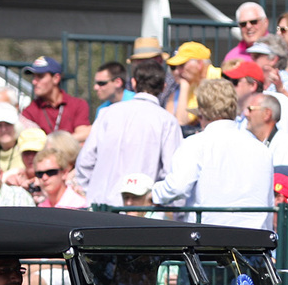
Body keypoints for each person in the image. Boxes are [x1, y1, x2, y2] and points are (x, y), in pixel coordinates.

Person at [151, 79, 273, 229]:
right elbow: (268, 204)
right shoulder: (261, 149)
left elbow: (178, 187)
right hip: (255, 242)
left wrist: (152, 194)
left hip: (210, 241)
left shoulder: (195, 144)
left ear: (202, 112)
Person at [74, 59, 182, 207]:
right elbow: (171, 172)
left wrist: (94, 193)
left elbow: (85, 162)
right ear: (163, 87)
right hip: (138, 211)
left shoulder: (107, 113)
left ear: (134, 83)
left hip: (100, 208)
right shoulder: (167, 121)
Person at [22, 57, 91, 140]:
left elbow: (83, 134)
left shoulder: (78, 104)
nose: (34, 82)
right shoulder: (29, 111)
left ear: (56, 78)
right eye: (33, 77)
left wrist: (55, 143)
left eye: (40, 76)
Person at [245, 94, 288, 173]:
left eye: (250, 109)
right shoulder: (257, 144)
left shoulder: (285, 145)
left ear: (267, 114)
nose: (246, 114)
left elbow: (283, 181)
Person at [166, 42, 222, 128]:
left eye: (182, 65)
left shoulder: (221, 78)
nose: (177, 71)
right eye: (174, 67)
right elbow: (182, 121)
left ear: (199, 64)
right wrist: (184, 86)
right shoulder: (192, 85)